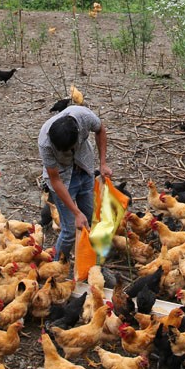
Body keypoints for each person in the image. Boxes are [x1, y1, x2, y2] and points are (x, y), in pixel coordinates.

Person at [38, 104, 112, 263]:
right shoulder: (45, 143)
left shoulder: (84, 117)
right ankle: (56, 267)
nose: (66, 152)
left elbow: (100, 130)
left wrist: (103, 163)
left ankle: (91, 261)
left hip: (85, 169)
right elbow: (55, 180)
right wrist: (76, 212)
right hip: (63, 178)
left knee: (91, 219)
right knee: (70, 229)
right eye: (62, 151)